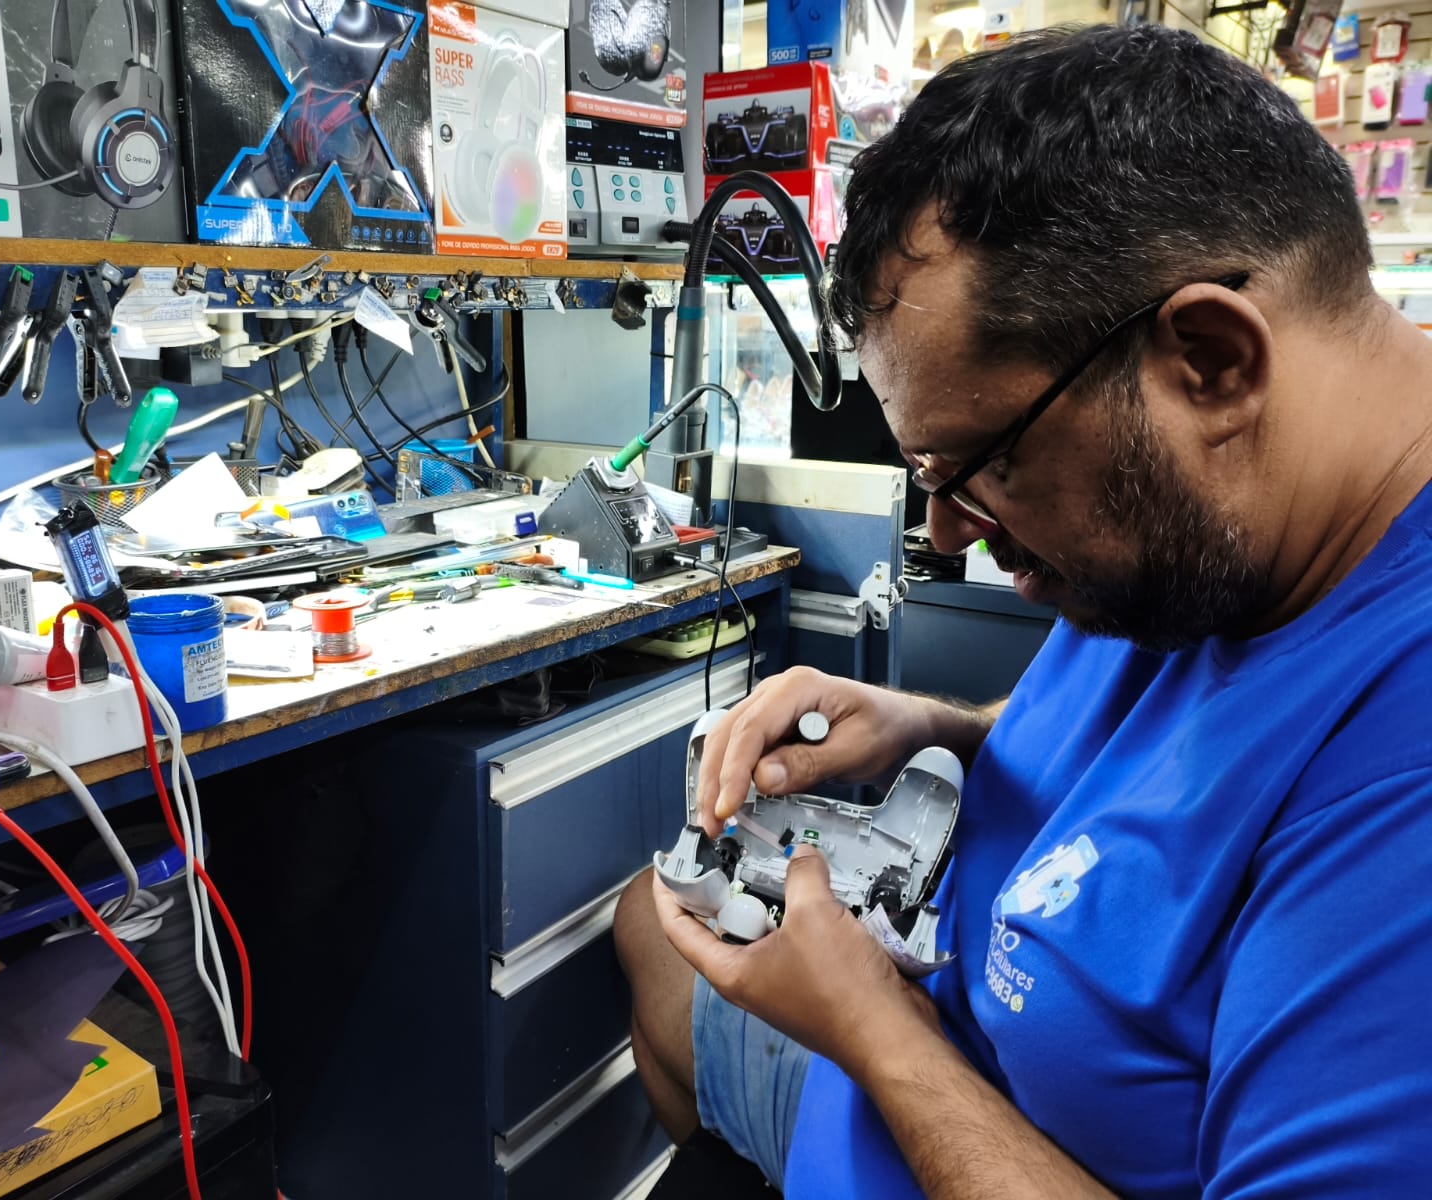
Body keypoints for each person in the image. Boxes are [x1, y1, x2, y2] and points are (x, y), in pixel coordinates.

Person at [613, 23, 1432, 1199]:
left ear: (1208, 358)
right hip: (933, 1035)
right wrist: (930, 723)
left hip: (924, 1086)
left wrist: (874, 1034)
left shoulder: (1394, 771)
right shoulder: (1237, 524)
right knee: (647, 918)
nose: (947, 533)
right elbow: (1167, 754)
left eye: (972, 467)